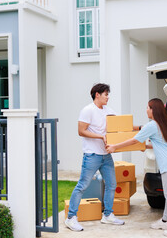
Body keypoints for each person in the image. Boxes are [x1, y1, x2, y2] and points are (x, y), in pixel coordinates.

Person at [106, 98, 167, 238]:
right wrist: (145, 146)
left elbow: (134, 140)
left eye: (148, 107)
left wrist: (114, 147)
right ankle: (165, 221)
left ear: (153, 110)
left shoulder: (152, 125)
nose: (146, 110)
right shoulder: (163, 124)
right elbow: (162, 144)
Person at [65, 83, 125, 232]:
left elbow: (118, 127)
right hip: (92, 155)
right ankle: (71, 218)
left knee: (111, 184)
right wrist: (100, 136)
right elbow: (81, 131)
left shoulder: (109, 111)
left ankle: (108, 215)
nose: (108, 97)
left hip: (106, 156)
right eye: (106, 94)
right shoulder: (87, 110)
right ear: (97, 95)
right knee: (82, 186)